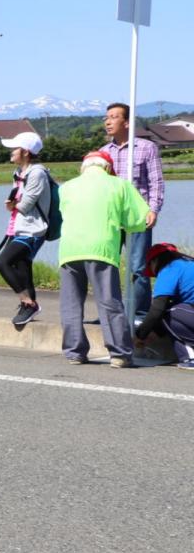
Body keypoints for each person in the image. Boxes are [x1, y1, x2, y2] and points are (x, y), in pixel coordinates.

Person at [58, 150, 150, 367]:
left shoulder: (67, 187)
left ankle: (74, 352)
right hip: (101, 249)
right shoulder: (119, 185)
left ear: (84, 167)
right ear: (107, 167)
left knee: (70, 304)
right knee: (109, 302)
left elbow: (63, 213)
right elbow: (138, 219)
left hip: (69, 249)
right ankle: (119, 353)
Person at [100, 102, 163, 321]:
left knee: (138, 267)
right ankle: (111, 312)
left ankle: (140, 313)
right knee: (107, 264)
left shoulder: (146, 148)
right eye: (106, 117)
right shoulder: (103, 153)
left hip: (138, 215)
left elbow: (156, 182)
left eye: (114, 117)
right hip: (112, 217)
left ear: (126, 122)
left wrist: (153, 209)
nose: (108, 121)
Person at [0, 132, 50, 326]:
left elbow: (24, 205)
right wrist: (13, 205)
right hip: (18, 227)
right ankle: (28, 308)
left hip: (33, 230)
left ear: (26, 152)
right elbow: (16, 202)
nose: (10, 152)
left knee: (3, 262)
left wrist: (12, 205)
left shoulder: (37, 173)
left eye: (14, 149)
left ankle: (27, 302)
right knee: (23, 266)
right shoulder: (19, 173)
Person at [135, 243, 194, 370]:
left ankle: (191, 358)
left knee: (166, 312)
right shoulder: (188, 265)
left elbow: (158, 309)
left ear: (155, 261)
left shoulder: (169, 269)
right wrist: (156, 332)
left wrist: (140, 335)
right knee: (171, 310)